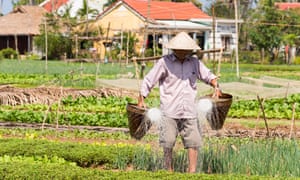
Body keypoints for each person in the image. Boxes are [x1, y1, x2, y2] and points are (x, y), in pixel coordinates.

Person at [137, 32, 222, 173]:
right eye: (180, 49)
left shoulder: (194, 62)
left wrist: (215, 85)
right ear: (174, 49)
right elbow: (149, 80)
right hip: (169, 110)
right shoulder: (164, 62)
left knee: (193, 142)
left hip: (189, 110)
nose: (183, 52)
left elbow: (208, 76)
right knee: (168, 142)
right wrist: (141, 98)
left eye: (186, 50)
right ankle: (168, 171)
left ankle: (192, 172)